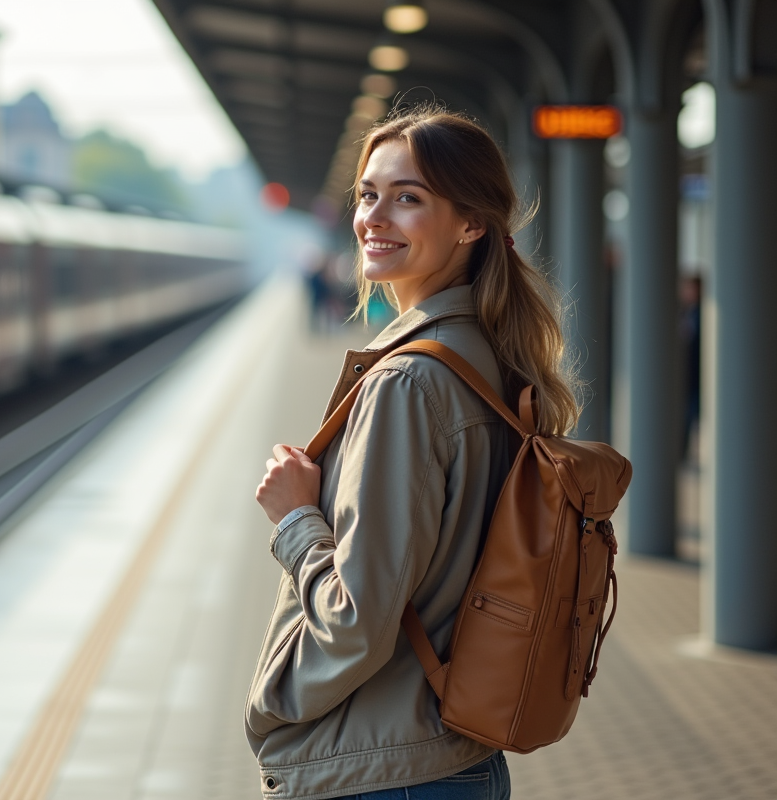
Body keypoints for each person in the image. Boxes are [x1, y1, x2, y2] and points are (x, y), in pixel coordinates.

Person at [247, 106, 579, 800]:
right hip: (454, 759)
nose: (374, 217)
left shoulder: (406, 383)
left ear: (471, 223)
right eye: (368, 194)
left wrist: (294, 520)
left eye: (408, 198)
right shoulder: (490, 357)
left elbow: (355, 621)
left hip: (384, 770)